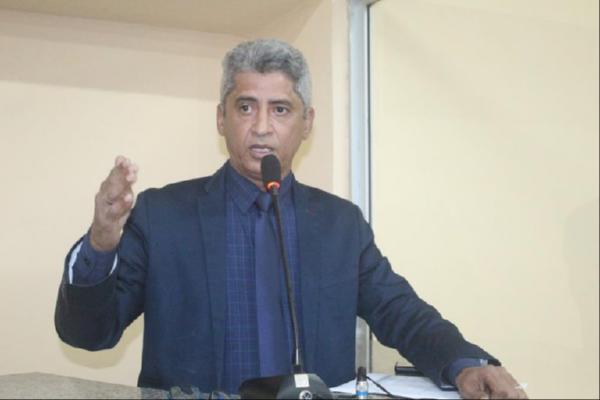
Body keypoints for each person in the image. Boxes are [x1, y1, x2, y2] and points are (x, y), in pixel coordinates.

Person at [55, 39, 527, 399]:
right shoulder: (163, 215)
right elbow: (87, 335)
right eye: (246, 107)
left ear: (307, 122)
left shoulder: (340, 224)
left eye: (280, 109)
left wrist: (464, 363)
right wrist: (101, 240)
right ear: (221, 118)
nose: (262, 127)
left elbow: (400, 312)